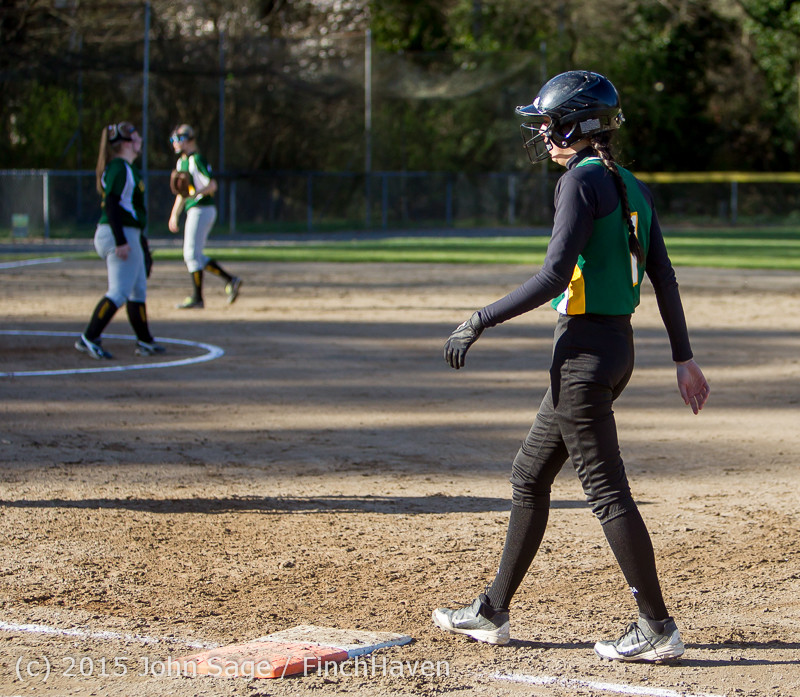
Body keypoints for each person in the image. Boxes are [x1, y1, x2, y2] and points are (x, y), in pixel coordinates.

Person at [433, 71, 710, 663]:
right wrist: (683, 357)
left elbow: (555, 274)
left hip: (582, 357)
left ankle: (657, 625)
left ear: (575, 124)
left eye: (547, 119)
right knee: (529, 475)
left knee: (606, 493)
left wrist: (479, 318)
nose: (541, 130)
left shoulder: (579, 184)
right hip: (614, 349)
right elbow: (662, 276)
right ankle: (492, 610)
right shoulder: (631, 185)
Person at [75, 122, 165, 360]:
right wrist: (122, 241)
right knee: (119, 291)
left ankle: (145, 341)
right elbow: (112, 204)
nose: (139, 140)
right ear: (126, 144)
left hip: (127, 232)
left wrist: (141, 244)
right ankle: (89, 337)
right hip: (118, 233)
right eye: (135, 137)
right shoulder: (120, 168)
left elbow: (130, 210)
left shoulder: (127, 168)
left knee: (138, 290)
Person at [168, 124, 241, 309]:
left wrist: (195, 194)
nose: (175, 143)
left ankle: (197, 297)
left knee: (191, 254)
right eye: (173, 140)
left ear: (189, 139)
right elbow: (182, 194)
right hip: (195, 209)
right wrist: (174, 215)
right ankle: (230, 280)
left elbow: (212, 185)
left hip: (202, 209)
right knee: (195, 255)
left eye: (179, 139)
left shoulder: (196, 159)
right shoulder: (181, 163)